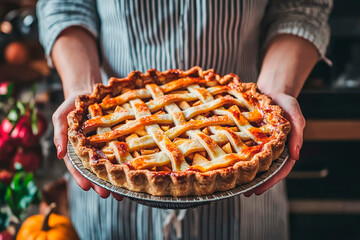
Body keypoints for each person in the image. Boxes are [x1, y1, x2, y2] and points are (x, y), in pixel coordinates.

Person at [37, 0, 332, 239]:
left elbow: (301, 8)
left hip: (244, 163)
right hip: (113, 155)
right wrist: (81, 91)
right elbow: (65, 5)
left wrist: (274, 92)